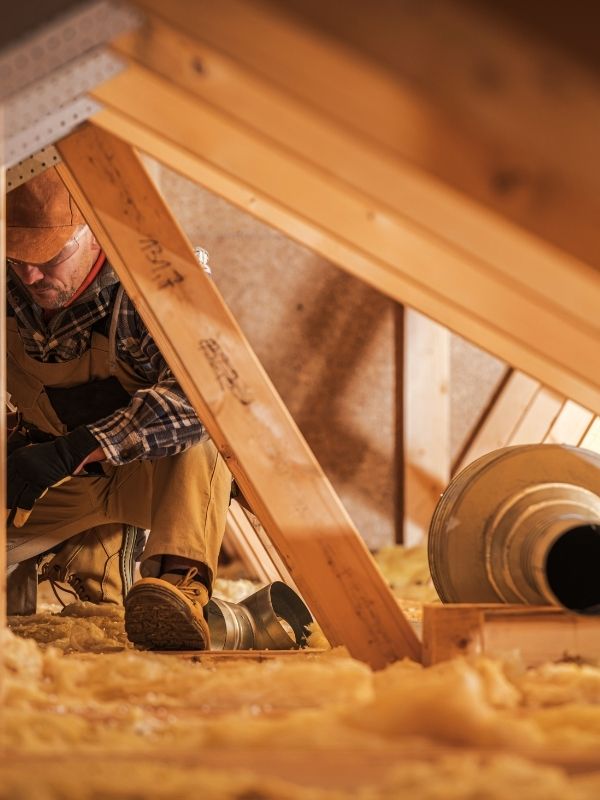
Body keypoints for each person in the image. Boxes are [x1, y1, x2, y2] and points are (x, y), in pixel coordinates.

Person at [5, 167, 231, 650]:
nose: (30, 275)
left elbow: (205, 393)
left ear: (92, 229)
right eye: (17, 257)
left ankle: (175, 583)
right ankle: (92, 554)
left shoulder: (154, 276)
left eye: (49, 257)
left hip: (153, 479)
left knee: (205, 427)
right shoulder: (10, 284)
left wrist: (79, 447)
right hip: (54, 478)